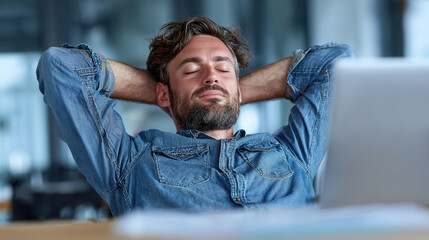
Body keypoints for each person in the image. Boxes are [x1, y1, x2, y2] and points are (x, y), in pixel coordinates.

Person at [36, 16, 352, 217]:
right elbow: (62, 68)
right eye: (192, 69)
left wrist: (230, 93)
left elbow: (335, 62)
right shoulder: (129, 164)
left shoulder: (291, 152)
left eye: (223, 68)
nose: (211, 76)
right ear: (162, 94)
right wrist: (167, 94)